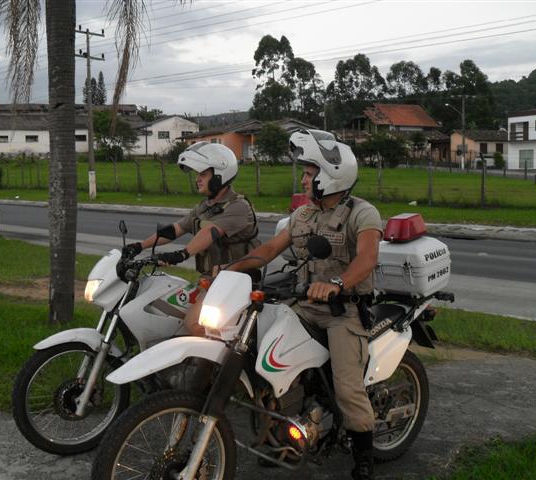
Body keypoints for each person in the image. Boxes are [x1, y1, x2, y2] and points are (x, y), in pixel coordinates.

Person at [228, 129, 382, 480]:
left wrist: (337, 284)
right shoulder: (303, 215)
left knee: (347, 388)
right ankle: (280, 436)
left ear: (330, 177)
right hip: (305, 306)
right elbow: (269, 250)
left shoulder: (362, 213)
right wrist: (229, 269)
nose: (303, 178)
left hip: (344, 312)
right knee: (266, 361)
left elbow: (367, 258)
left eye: (309, 173)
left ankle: (363, 457)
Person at [123, 141, 260, 335]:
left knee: (194, 324)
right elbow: (176, 229)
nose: (197, 179)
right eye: (198, 175)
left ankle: (216, 364)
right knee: (167, 309)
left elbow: (211, 231)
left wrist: (182, 254)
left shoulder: (238, 207)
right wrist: (138, 246)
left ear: (220, 174)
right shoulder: (205, 207)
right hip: (212, 280)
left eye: (203, 174)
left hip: (236, 282)